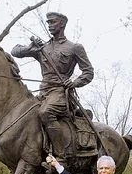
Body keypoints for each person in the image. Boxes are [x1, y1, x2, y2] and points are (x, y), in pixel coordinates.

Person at [11, 12, 94, 162]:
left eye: (53, 22)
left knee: (45, 112)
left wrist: (74, 82)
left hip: (61, 92)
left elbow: (88, 72)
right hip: (44, 91)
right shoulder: (43, 48)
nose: (49, 25)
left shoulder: (74, 47)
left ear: (62, 24)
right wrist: (30, 48)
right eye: (48, 23)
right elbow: (15, 51)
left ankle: (61, 156)